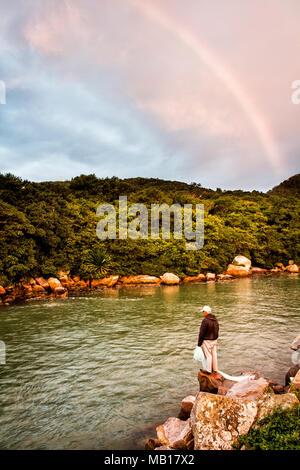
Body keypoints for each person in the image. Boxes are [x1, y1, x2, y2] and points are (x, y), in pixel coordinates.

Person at [197, 305, 219, 374]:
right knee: (214, 354)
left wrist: (199, 343)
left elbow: (201, 332)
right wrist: (215, 338)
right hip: (214, 340)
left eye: (203, 311)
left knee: (208, 355)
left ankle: (208, 370)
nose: (203, 313)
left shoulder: (205, 320)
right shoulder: (215, 319)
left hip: (207, 341)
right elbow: (217, 329)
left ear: (206, 312)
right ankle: (215, 369)